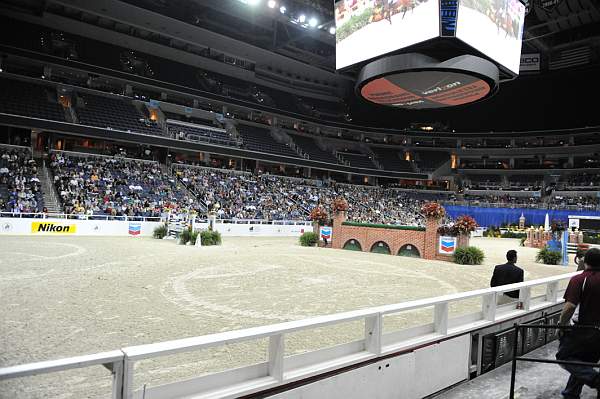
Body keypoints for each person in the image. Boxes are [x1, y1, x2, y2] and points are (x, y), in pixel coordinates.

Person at [556, 248, 600, 398]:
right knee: (583, 363)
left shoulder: (580, 279)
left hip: (583, 330)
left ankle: (596, 380)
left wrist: (561, 324)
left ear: (584, 261)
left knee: (564, 356)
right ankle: (570, 394)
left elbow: (570, 307)